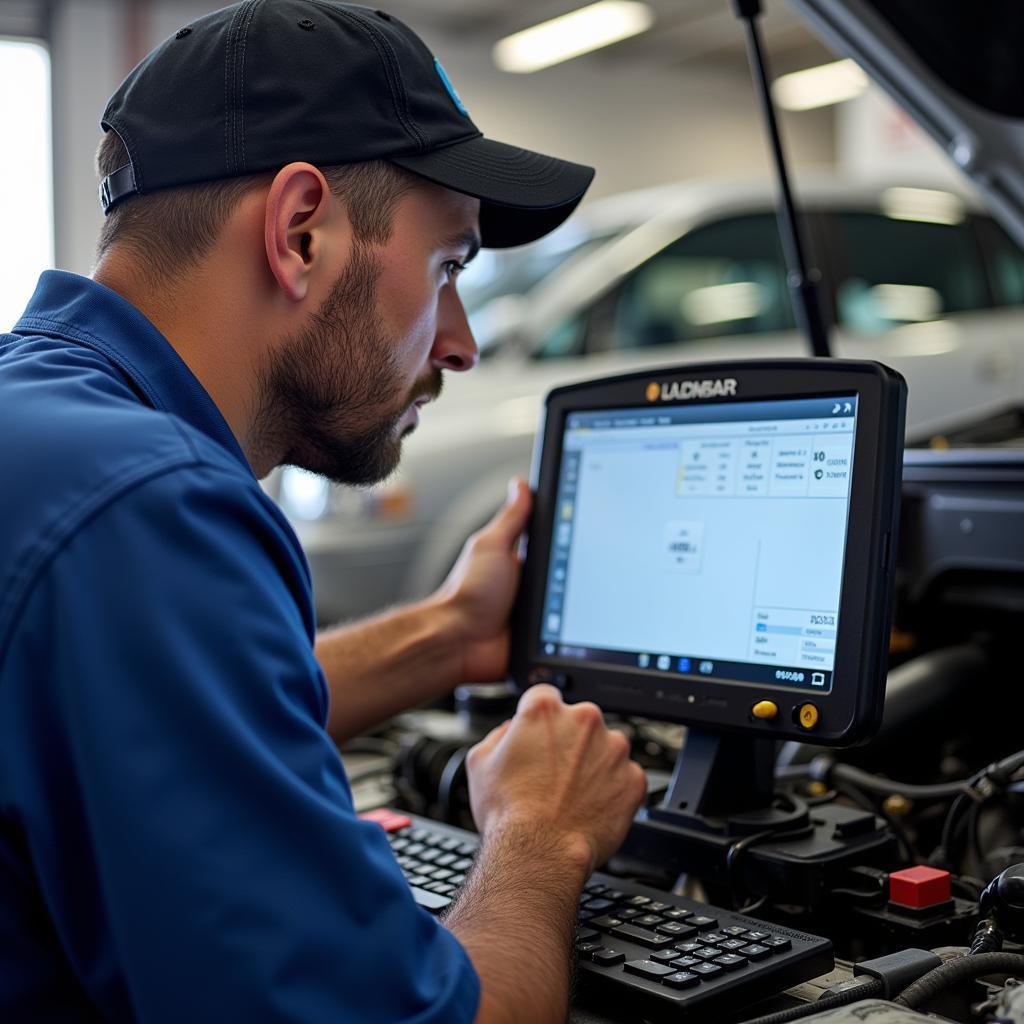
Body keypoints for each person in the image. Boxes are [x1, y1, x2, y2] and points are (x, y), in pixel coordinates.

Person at [0, 2, 647, 1022]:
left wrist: (449, 632)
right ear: (301, 230)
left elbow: (159, 713)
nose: (462, 342)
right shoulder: (146, 507)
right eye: (448, 267)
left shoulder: (43, 425)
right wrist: (539, 832)